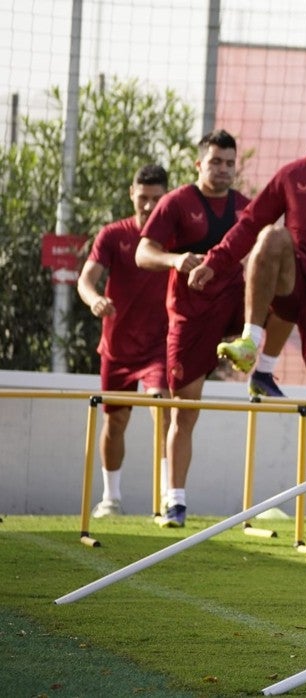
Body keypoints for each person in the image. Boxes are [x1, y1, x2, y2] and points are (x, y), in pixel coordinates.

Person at [192, 89, 306, 550]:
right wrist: (215, 261)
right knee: (271, 236)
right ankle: (252, 340)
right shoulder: (293, 175)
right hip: (294, 283)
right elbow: (248, 223)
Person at [136, 130, 251, 528]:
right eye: (215, 161)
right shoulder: (178, 202)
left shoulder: (245, 207)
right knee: (185, 411)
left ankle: (260, 361)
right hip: (189, 318)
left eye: (229, 163)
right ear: (198, 164)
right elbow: (143, 251)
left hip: (234, 309)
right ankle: (176, 502)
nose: (223, 169)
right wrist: (174, 259)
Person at [77, 164, 172, 517]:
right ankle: (111, 498)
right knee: (114, 422)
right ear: (131, 194)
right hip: (116, 349)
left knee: (162, 410)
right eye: (143, 197)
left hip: (158, 347)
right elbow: (86, 279)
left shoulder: (174, 236)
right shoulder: (112, 235)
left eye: (156, 199)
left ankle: (168, 499)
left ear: (167, 199)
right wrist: (94, 299)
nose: (148, 206)